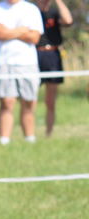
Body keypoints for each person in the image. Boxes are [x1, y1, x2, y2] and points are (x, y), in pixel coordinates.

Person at [0, 0, 44, 145]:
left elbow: (35, 37)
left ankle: (30, 140)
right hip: (4, 62)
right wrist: (22, 30)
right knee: (7, 101)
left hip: (27, 62)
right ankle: (4, 142)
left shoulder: (31, 9)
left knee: (29, 102)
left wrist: (9, 31)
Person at [36, 0, 72, 137]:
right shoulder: (31, 12)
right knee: (29, 97)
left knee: (50, 99)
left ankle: (48, 134)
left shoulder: (55, 12)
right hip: (34, 54)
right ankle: (30, 134)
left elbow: (68, 20)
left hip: (52, 55)